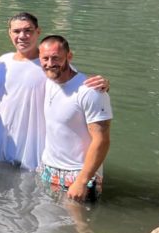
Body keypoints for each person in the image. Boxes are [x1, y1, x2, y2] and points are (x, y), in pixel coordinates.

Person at [0, 12, 108, 170]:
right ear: (9, 33)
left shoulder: (51, 65)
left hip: (36, 156)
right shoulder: (2, 62)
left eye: (28, 30)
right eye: (16, 31)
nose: (22, 36)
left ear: (38, 31)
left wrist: (102, 85)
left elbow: (78, 87)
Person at [38, 35, 113, 201]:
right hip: (49, 168)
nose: (50, 63)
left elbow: (102, 140)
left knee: (79, 217)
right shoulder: (48, 80)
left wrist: (82, 181)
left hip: (79, 173)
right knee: (44, 214)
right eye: (45, 58)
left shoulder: (91, 91)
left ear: (69, 56)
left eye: (56, 58)